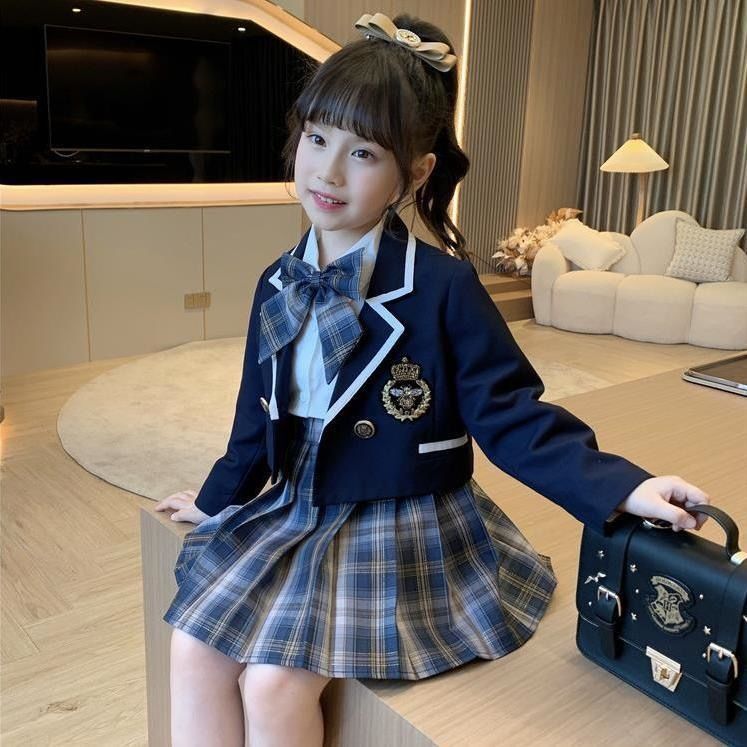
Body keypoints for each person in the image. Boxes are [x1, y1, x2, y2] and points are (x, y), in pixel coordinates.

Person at [155, 12, 710, 747]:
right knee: (191, 646)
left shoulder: (443, 286)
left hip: (397, 519)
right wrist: (216, 499)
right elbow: (256, 419)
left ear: (414, 174)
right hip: (298, 502)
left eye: (362, 153)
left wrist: (622, 487)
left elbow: (511, 415)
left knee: (272, 682)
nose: (327, 172)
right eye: (316, 139)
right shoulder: (277, 280)